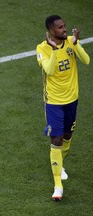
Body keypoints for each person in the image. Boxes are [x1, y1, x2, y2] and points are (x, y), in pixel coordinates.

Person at [36, 15, 90, 201]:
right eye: (60, 27)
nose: (64, 29)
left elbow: (86, 60)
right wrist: (53, 51)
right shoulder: (42, 48)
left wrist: (75, 44)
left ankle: (60, 164)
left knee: (67, 136)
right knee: (56, 139)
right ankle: (58, 185)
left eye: (64, 26)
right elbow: (49, 70)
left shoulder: (70, 42)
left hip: (72, 100)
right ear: (52, 31)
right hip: (54, 102)